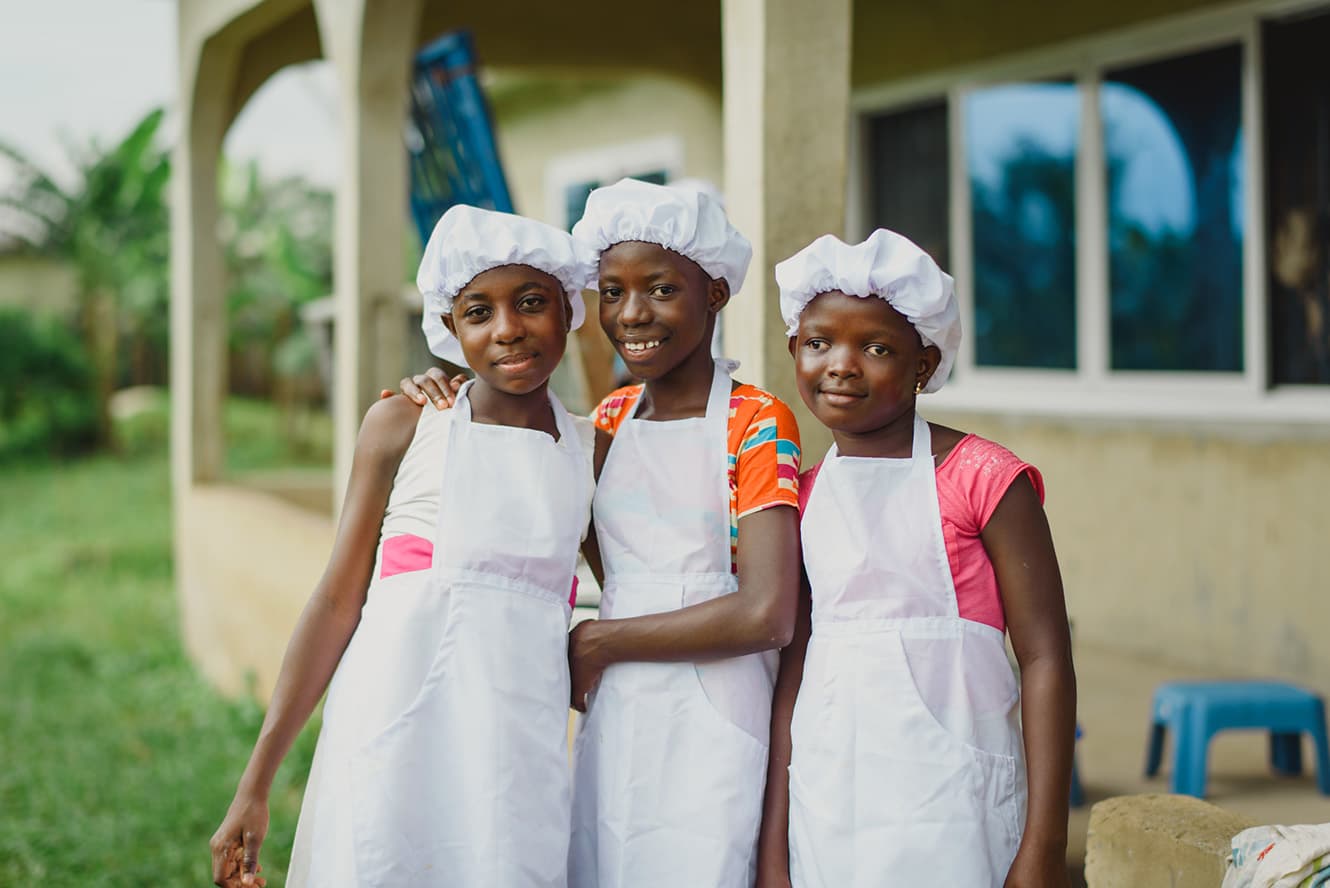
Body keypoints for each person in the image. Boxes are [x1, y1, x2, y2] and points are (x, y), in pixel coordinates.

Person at [400, 178, 803, 887]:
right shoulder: (605, 423)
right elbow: (575, 544)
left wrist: (599, 640)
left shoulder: (757, 421)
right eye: (611, 292)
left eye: (660, 290)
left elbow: (767, 614)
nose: (632, 314)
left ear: (714, 292)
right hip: (617, 709)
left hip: (717, 706)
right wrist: (438, 390)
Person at [209, 205, 598, 888]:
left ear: (568, 308)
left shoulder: (594, 453)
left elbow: (631, 596)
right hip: (388, 739)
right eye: (479, 311)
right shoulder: (404, 424)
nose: (507, 329)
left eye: (532, 303)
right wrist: (256, 782)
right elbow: (335, 602)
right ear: (450, 327)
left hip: (515, 760)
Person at [755, 230, 1077, 888]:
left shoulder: (984, 479)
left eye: (875, 347)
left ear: (924, 364)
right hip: (831, 799)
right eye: (819, 343)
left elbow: (1046, 657)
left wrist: (1044, 845)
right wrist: (774, 847)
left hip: (954, 805)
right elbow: (795, 669)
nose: (841, 365)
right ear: (795, 349)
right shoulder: (805, 496)